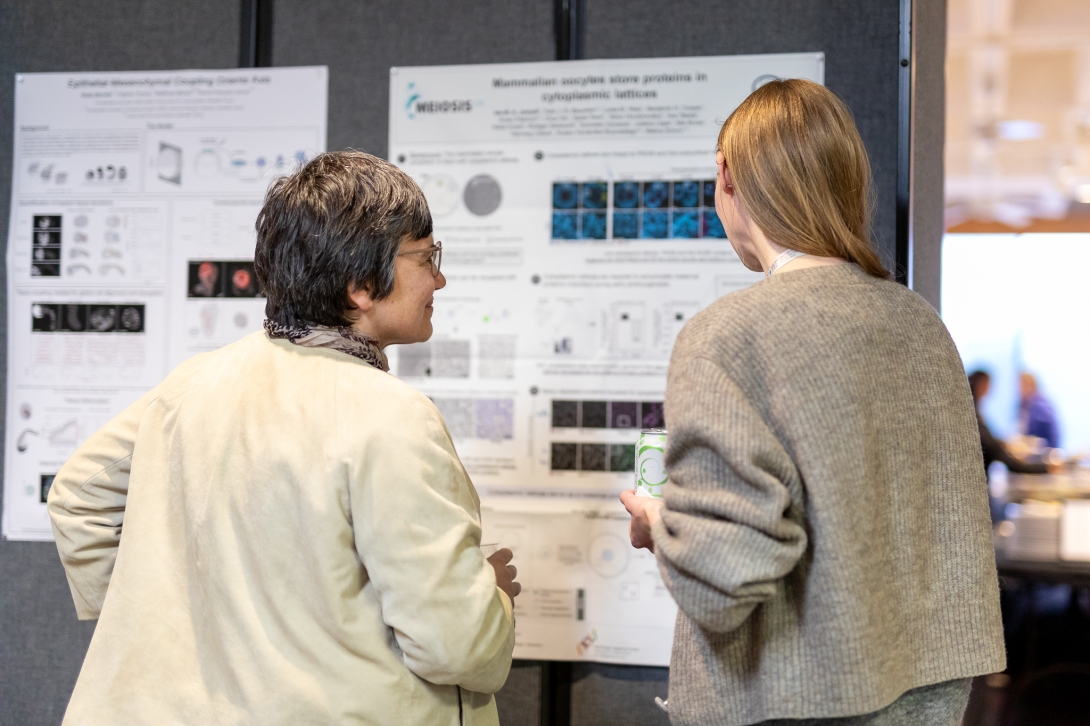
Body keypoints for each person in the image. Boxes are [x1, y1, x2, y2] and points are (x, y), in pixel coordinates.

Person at [47, 151, 519, 725]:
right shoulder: (390, 414)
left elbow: (78, 497)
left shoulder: (191, 384)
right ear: (362, 284)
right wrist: (490, 598)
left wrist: (175, 627)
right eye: (426, 257)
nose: (439, 278)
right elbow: (457, 646)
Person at [621, 79, 1005, 726]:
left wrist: (661, 525)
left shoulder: (727, 337)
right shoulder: (921, 325)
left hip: (786, 703)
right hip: (928, 697)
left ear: (727, 175)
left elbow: (727, 576)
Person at [969, 370, 1051, 478]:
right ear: (981, 384)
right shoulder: (972, 415)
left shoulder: (1038, 405)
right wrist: (1045, 468)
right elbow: (994, 449)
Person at [1018, 372, 1060, 448]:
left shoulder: (1039, 405)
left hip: (1045, 449)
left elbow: (1038, 433)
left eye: (1021, 386)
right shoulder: (1025, 404)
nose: (1019, 390)